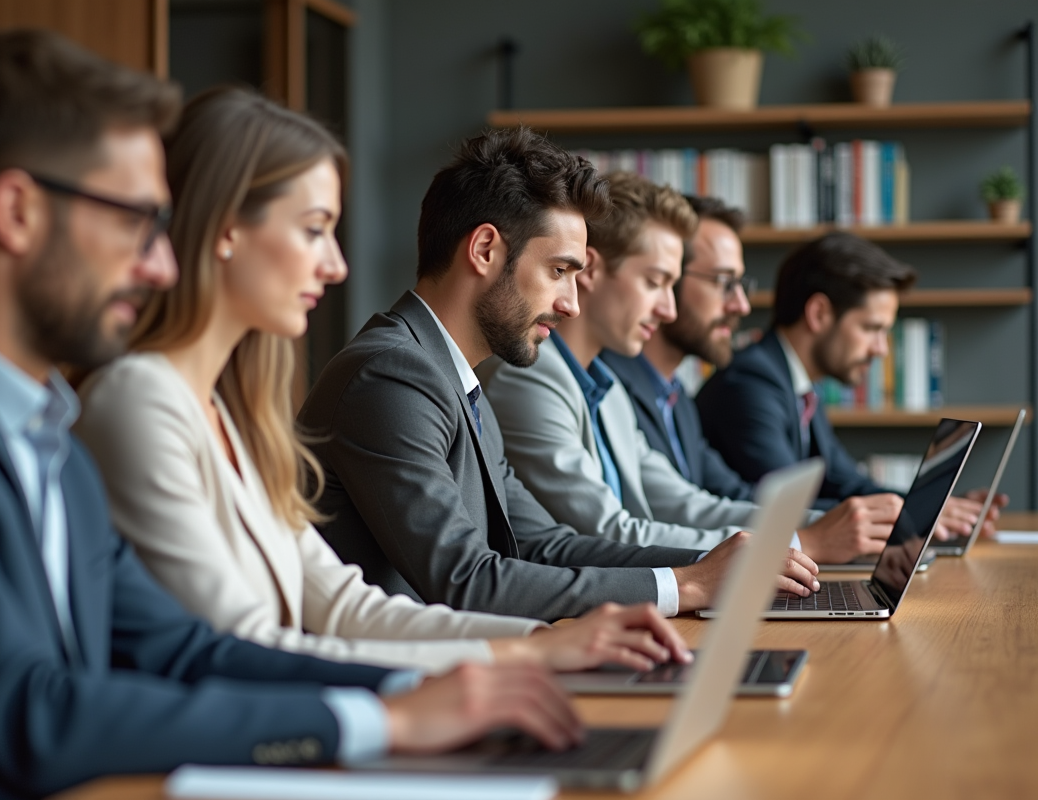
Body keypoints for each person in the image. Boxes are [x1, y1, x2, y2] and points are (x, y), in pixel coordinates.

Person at [0, 32, 592, 800]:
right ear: (17, 213)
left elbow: (187, 651)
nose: (161, 262)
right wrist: (383, 720)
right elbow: (33, 710)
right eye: (134, 220)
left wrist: (430, 690)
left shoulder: (48, 434)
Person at [75, 87, 689, 676]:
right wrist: (520, 657)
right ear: (228, 230)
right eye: (314, 229)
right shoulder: (150, 400)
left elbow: (349, 608)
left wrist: (542, 644)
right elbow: (246, 647)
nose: (336, 265)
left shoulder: (238, 416)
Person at [297, 128, 818, 622]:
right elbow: (464, 580)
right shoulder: (392, 374)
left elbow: (544, 545)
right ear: (484, 250)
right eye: (559, 271)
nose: (571, 303)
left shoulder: (454, 378)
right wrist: (687, 586)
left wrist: (713, 564)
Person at [481, 174, 879, 568]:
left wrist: (826, 528)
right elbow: (609, 533)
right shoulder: (530, 377)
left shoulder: (609, 390)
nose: (668, 310)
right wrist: (799, 542)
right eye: (654, 282)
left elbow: (689, 505)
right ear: (591, 271)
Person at [597, 194, 903, 563]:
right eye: (723, 282)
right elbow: (622, 532)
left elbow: (718, 500)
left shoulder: (677, 398)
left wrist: (879, 519)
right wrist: (808, 539)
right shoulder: (611, 387)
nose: (741, 305)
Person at [694, 231, 998, 538]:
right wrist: (911, 514)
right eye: (871, 328)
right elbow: (786, 507)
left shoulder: (799, 387)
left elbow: (846, 482)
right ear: (819, 314)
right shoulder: (749, 383)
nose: (881, 349)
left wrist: (931, 506)